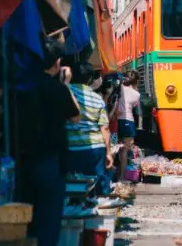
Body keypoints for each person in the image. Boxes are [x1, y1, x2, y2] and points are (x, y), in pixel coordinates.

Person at [18, 37, 81, 246]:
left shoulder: (24, 85)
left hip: (24, 158)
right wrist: (65, 85)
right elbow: (76, 116)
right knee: (49, 221)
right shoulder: (57, 89)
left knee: (27, 219)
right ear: (56, 63)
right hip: (51, 161)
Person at [66, 62, 113, 195]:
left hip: (72, 148)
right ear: (90, 79)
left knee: (73, 186)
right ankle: (97, 211)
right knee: (97, 187)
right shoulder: (97, 98)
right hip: (95, 148)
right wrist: (108, 152)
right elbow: (104, 128)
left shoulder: (66, 91)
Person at [117, 71, 141, 181]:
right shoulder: (136, 94)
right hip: (129, 121)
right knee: (125, 150)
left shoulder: (120, 88)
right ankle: (122, 176)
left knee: (115, 148)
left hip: (117, 120)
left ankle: (114, 175)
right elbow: (134, 105)